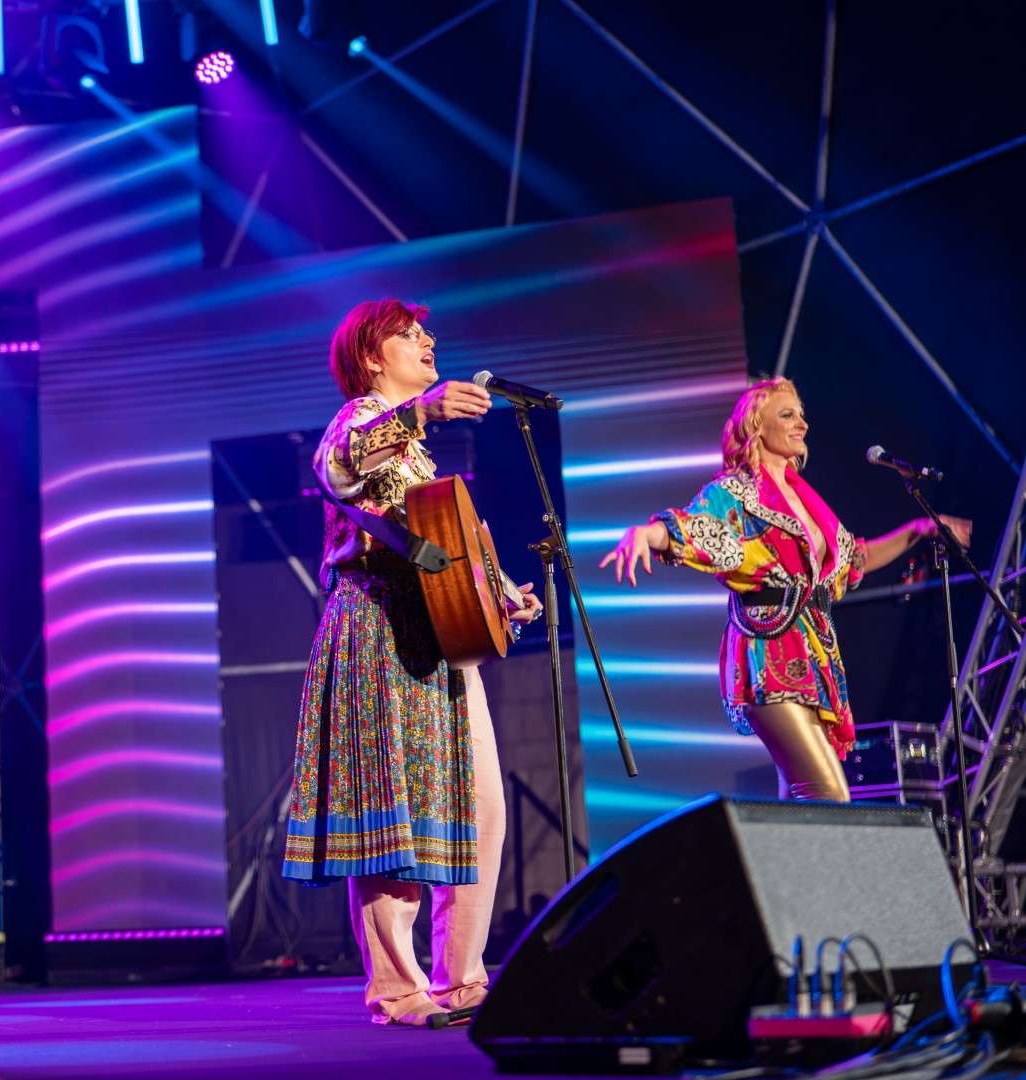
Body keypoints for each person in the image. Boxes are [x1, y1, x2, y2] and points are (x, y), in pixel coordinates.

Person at [281, 299, 542, 1026]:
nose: (427, 341)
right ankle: (397, 990)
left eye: (427, 333)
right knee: (392, 815)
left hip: (442, 635)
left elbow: (443, 545)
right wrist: (420, 412)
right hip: (378, 625)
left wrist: (501, 596)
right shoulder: (358, 421)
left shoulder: (416, 454)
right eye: (408, 335)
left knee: (480, 807)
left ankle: (464, 980)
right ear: (372, 357)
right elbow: (336, 469)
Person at [599, 377, 972, 802]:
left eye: (802, 414)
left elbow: (853, 559)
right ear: (756, 427)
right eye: (788, 414)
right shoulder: (734, 491)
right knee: (829, 794)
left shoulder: (807, 499)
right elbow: (695, 528)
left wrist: (920, 529)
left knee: (798, 803)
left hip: (814, 656)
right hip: (768, 652)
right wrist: (647, 534)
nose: (803, 424)